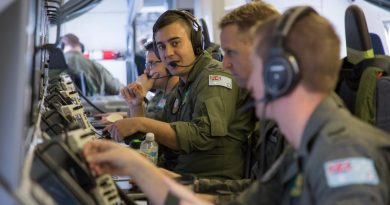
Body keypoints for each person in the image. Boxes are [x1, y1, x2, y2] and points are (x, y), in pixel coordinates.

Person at [83, 6, 390, 205]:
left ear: (279, 69)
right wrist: (137, 167)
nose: (225, 66)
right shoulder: (301, 146)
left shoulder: (343, 157)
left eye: (233, 54)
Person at [105, 10, 255, 179]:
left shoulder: (214, 78)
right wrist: (136, 105)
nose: (168, 53)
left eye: (175, 43)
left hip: (210, 186)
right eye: (161, 46)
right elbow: (156, 137)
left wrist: (141, 123)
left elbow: (203, 135)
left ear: (195, 43)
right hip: (181, 177)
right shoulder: (182, 86)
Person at [194, 0, 285, 199]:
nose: (225, 64)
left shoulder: (298, 121)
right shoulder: (273, 112)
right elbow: (259, 188)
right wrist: (192, 186)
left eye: (231, 53)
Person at [121, 40, 180, 169]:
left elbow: (142, 133)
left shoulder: (179, 95)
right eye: (146, 64)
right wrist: (135, 102)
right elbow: (140, 132)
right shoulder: (160, 94)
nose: (146, 71)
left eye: (152, 64)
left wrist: (137, 103)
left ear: (169, 62)